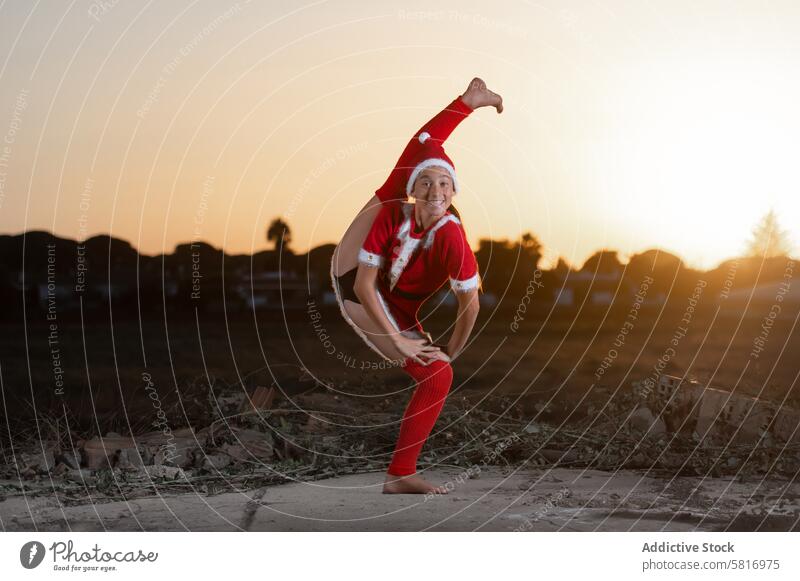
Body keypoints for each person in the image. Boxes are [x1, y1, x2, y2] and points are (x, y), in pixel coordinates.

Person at [330, 78, 503, 494]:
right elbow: (425, 140)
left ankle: (399, 475)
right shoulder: (398, 202)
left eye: (443, 185)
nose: (434, 192)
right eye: (425, 183)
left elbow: (470, 305)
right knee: (437, 375)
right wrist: (468, 103)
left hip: (395, 305)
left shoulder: (452, 238)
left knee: (439, 374)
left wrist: (451, 352)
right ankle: (401, 473)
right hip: (351, 284)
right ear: (415, 188)